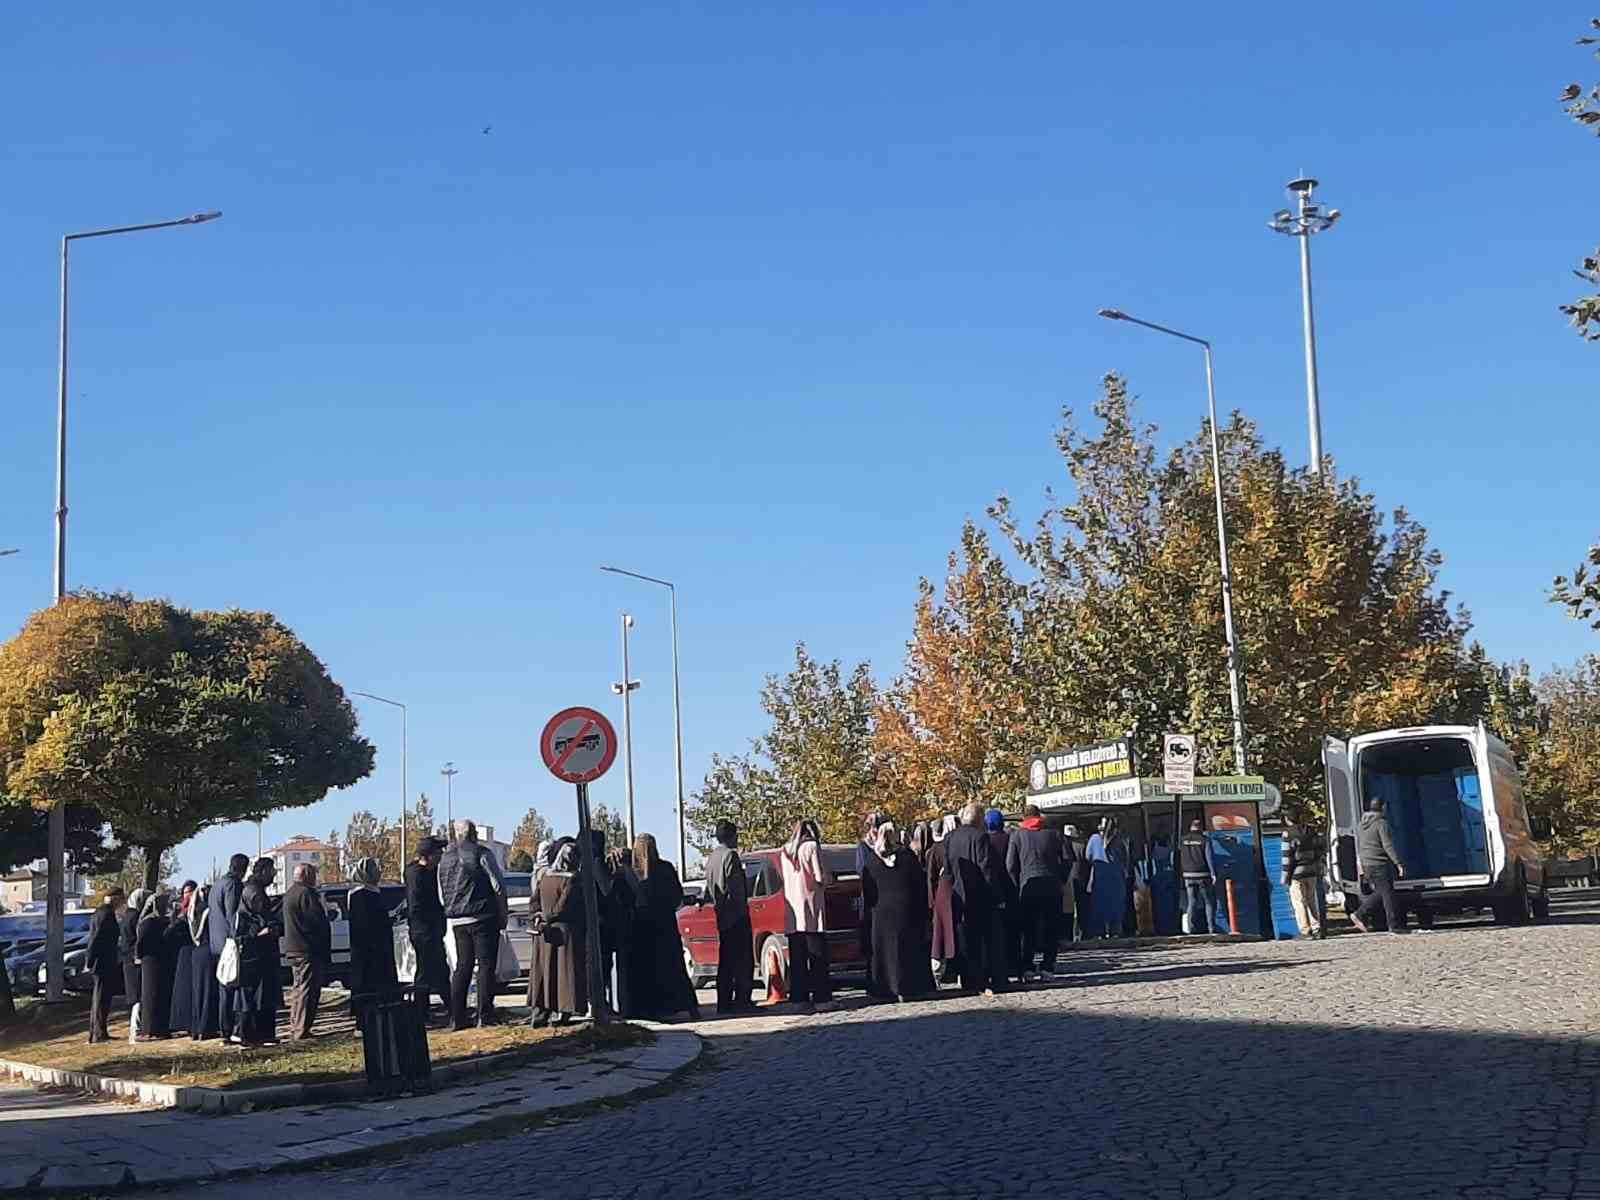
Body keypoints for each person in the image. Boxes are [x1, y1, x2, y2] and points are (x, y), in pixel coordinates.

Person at [439, 819, 507, 1029]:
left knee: (462, 966)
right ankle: (484, 1014)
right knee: (486, 966)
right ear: (473, 833)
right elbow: (497, 885)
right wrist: (502, 912)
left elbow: (441, 892)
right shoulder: (481, 853)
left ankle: (456, 1016)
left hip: (457, 918)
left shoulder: (445, 858)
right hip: (482, 915)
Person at [624, 833, 700, 1021]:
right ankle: (685, 1006)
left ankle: (651, 1009)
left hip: (641, 929)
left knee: (647, 969)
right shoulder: (665, 869)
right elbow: (677, 896)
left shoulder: (632, 872)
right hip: (664, 926)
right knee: (672, 967)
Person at [861, 822, 936, 1001]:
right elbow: (919, 884)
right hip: (905, 910)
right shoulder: (907, 857)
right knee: (906, 950)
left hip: (880, 913)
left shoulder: (871, 862)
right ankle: (909, 986)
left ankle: (884, 987)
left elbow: (866, 890)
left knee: (884, 952)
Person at [944, 802, 1008, 996]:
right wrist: (997, 895)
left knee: (965, 940)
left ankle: (969, 978)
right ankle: (993, 977)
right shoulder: (980, 837)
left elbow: (947, 869)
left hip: (958, 895)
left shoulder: (949, 838)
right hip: (981, 897)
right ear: (979, 819)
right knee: (989, 940)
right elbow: (986, 867)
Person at [1007, 804, 1070, 980]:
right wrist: (1060, 879)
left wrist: (1017, 884)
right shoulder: (1054, 834)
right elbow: (1067, 859)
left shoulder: (1017, 836)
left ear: (1023, 818)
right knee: (1051, 928)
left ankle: (1027, 967)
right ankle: (1047, 967)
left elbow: (1011, 865)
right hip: (1051, 886)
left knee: (1028, 929)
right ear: (1039, 816)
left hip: (1028, 886)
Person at [530, 842, 586, 1027]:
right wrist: (548, 917)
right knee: (564, 972)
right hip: (564, 932)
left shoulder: (545, 877)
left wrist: (538, 917)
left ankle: (541, 1012)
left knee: (545, 970)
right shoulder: (573, 879)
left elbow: (535, 901)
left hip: (544, 933)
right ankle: (563, 1010)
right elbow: (564, 905)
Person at [778, 819, 833, 1008]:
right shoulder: (811, 846)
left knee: (798, 959)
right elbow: (818, 876)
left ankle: (799, 998)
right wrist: (828, 879)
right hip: (811, 909)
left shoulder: (785, 851)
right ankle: (821, 998)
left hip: (793, 912)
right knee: (817, 957)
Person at [702, 819, 754, 1014]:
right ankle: (742, 999)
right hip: (735, 915)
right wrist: (742, 911)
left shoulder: (712, 857)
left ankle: (724, 1001)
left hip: (721, 915)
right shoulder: (730, 856)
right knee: (742, 960)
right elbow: (735, 889)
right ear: (732, 836)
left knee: (726, 961)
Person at [232, 858, 282, 1046]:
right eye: (271, 871)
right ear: (262, 871)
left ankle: (254, 1033)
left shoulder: (252, 890)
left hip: (255, 951)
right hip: (258, 952)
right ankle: (257, 1033)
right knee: (259, 995)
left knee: (257, 994)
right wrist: (273, 926)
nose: (274, 875)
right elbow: (263, 920)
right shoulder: (255, 892)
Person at [347, 857, 400, 1022]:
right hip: (368, 950)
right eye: (374, 869)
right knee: (367, 984)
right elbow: (365, 923)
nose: (378, 873)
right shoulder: (359, 895)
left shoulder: (374, 892)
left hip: (380, 947)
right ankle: (363, 1019)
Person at [282, 862, 331, 1040]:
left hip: (294, 948)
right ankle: (301, 1029)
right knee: (307, 990)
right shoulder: (306, 894)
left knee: (298, 989)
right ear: (307, 875)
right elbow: (316, 922)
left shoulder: (289, 893)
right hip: (307, 948)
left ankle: (296, 1025)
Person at [404, 836, 450, 1023]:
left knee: (439, 969)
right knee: (425, 970)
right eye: (438, 853)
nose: (440, 857)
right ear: (428, 856)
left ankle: (451, 1005)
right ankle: (421, 1010)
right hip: (424, 930)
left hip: (430, 929)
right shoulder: (417, 875)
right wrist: (429, 925)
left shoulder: (427, 872)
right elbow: (416, 905)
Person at [207, 854, 249, 1041]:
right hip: (230, 943)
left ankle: (225, 1028)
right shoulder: (233, 885)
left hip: (217, 942)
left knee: (224, 986)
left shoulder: (217, 885)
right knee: (234, 986)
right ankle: (232, 1029)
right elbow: (234, 915)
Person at [1351, 798, 1407, 935]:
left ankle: (1360, 914)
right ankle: (1393, 925)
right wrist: (1398, 863)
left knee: (1382, 892)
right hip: (1379, 863)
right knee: (1387, 894)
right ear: (1382, 807)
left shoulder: (1360, 825)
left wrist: (1360, 864)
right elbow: (1387, 845)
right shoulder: (1381, 823)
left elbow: (1359, 845)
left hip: (1367, 863)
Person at [986, 808, 1023, 981]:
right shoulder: (1010, 838)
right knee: (1013, 931)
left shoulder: (984, 841)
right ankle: (1015, 965)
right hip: (1012, 889)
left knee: (995, 933)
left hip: (993, 891)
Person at [85, 889, 126, 1044]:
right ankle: (97, 1033)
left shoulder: (100, 912)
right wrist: (90, 959)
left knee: (102, 997)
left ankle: (99, 1031)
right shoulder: (106, 914)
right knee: (101, 997)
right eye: (121, 899)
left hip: (103, 961)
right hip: (103, 962)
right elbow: (96, 938)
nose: (123, 903)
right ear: (115, 899)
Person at [134, 891, 174, 1041]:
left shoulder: (154, 921)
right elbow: (142, 942)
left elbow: (142, 942)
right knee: (153, 994)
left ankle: (155, 1029)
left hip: (155, 961)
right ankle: (154, 1028)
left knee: (155, 994)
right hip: (154, 961)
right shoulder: (155, 921)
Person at [855, 812, 886, 994]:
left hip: (884, 898)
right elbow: (862, 871)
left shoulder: (886, 845)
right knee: (870, 942)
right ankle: (872, 981)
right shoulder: (863, 847)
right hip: (869, 900)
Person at [165, 881, 200, 1036]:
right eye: (186, 892)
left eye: (191, 891)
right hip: (182, 954)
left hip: (194, 951)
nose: (189, 895)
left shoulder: (199, 909)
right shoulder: (178, 913)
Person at [1281, 821, 1327, 939]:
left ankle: (1305, 931)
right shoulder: (1311, 830)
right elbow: (1320, 848)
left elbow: (1287, 857)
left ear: (1287, 819)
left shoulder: (1288, 834)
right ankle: (1317, 928)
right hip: (1311, 871)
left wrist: (1285, 877)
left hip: (1296, 874)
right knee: (1311, 900)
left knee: (1299, 902)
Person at [1086, 818, 1130, 940]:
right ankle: (1115, 931)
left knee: (1099, 905)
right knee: (1116, 905)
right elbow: (1126, 858)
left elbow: (1088, 856)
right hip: (1116, 877)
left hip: (1099, 876)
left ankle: (1099, 932)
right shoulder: (1120, 839)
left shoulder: (1094, 839)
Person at [927, 816, 958, 982]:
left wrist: (931, 902)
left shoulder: (934, 850)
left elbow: (930, 877)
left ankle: (941, 972)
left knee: (941, 934)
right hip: (953, 893)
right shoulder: (951, 847)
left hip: (942, 895)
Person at [188, 883, 220, 1041]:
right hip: (208, 952)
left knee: (197, 992)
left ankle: (196, 1028)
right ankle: (207, 1027)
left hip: (196, 953)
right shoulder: (209, 911)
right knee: (208, 991)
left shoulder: (193, 912)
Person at [1179, 819, 1218, 935]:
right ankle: (1211, 928)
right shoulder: (1204, 840)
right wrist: (1213, 873)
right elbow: (1209, 857)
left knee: (1192, 902)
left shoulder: (1182, 840)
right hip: (1203, 875)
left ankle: (1191, 928)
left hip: (1187, 875)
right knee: (1208, 902)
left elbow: (1177, 856)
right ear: (1200, 828)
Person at [119, 887, 147, 1032]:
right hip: (134, 960)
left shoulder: (126, 916)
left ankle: (135, 1025)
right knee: (138, 995)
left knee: (134, 994)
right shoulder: (135, 917)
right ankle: (136, 1027)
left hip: (128, 959)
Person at [1065, 824, 1090, 941]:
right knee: (1082, 907)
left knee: (1068, 909)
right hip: (1080, 877)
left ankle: (1069, 934)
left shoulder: (1063, 845)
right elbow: (1087, 861)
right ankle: (1084, 932)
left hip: (1067, 879)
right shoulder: (1081, 845)